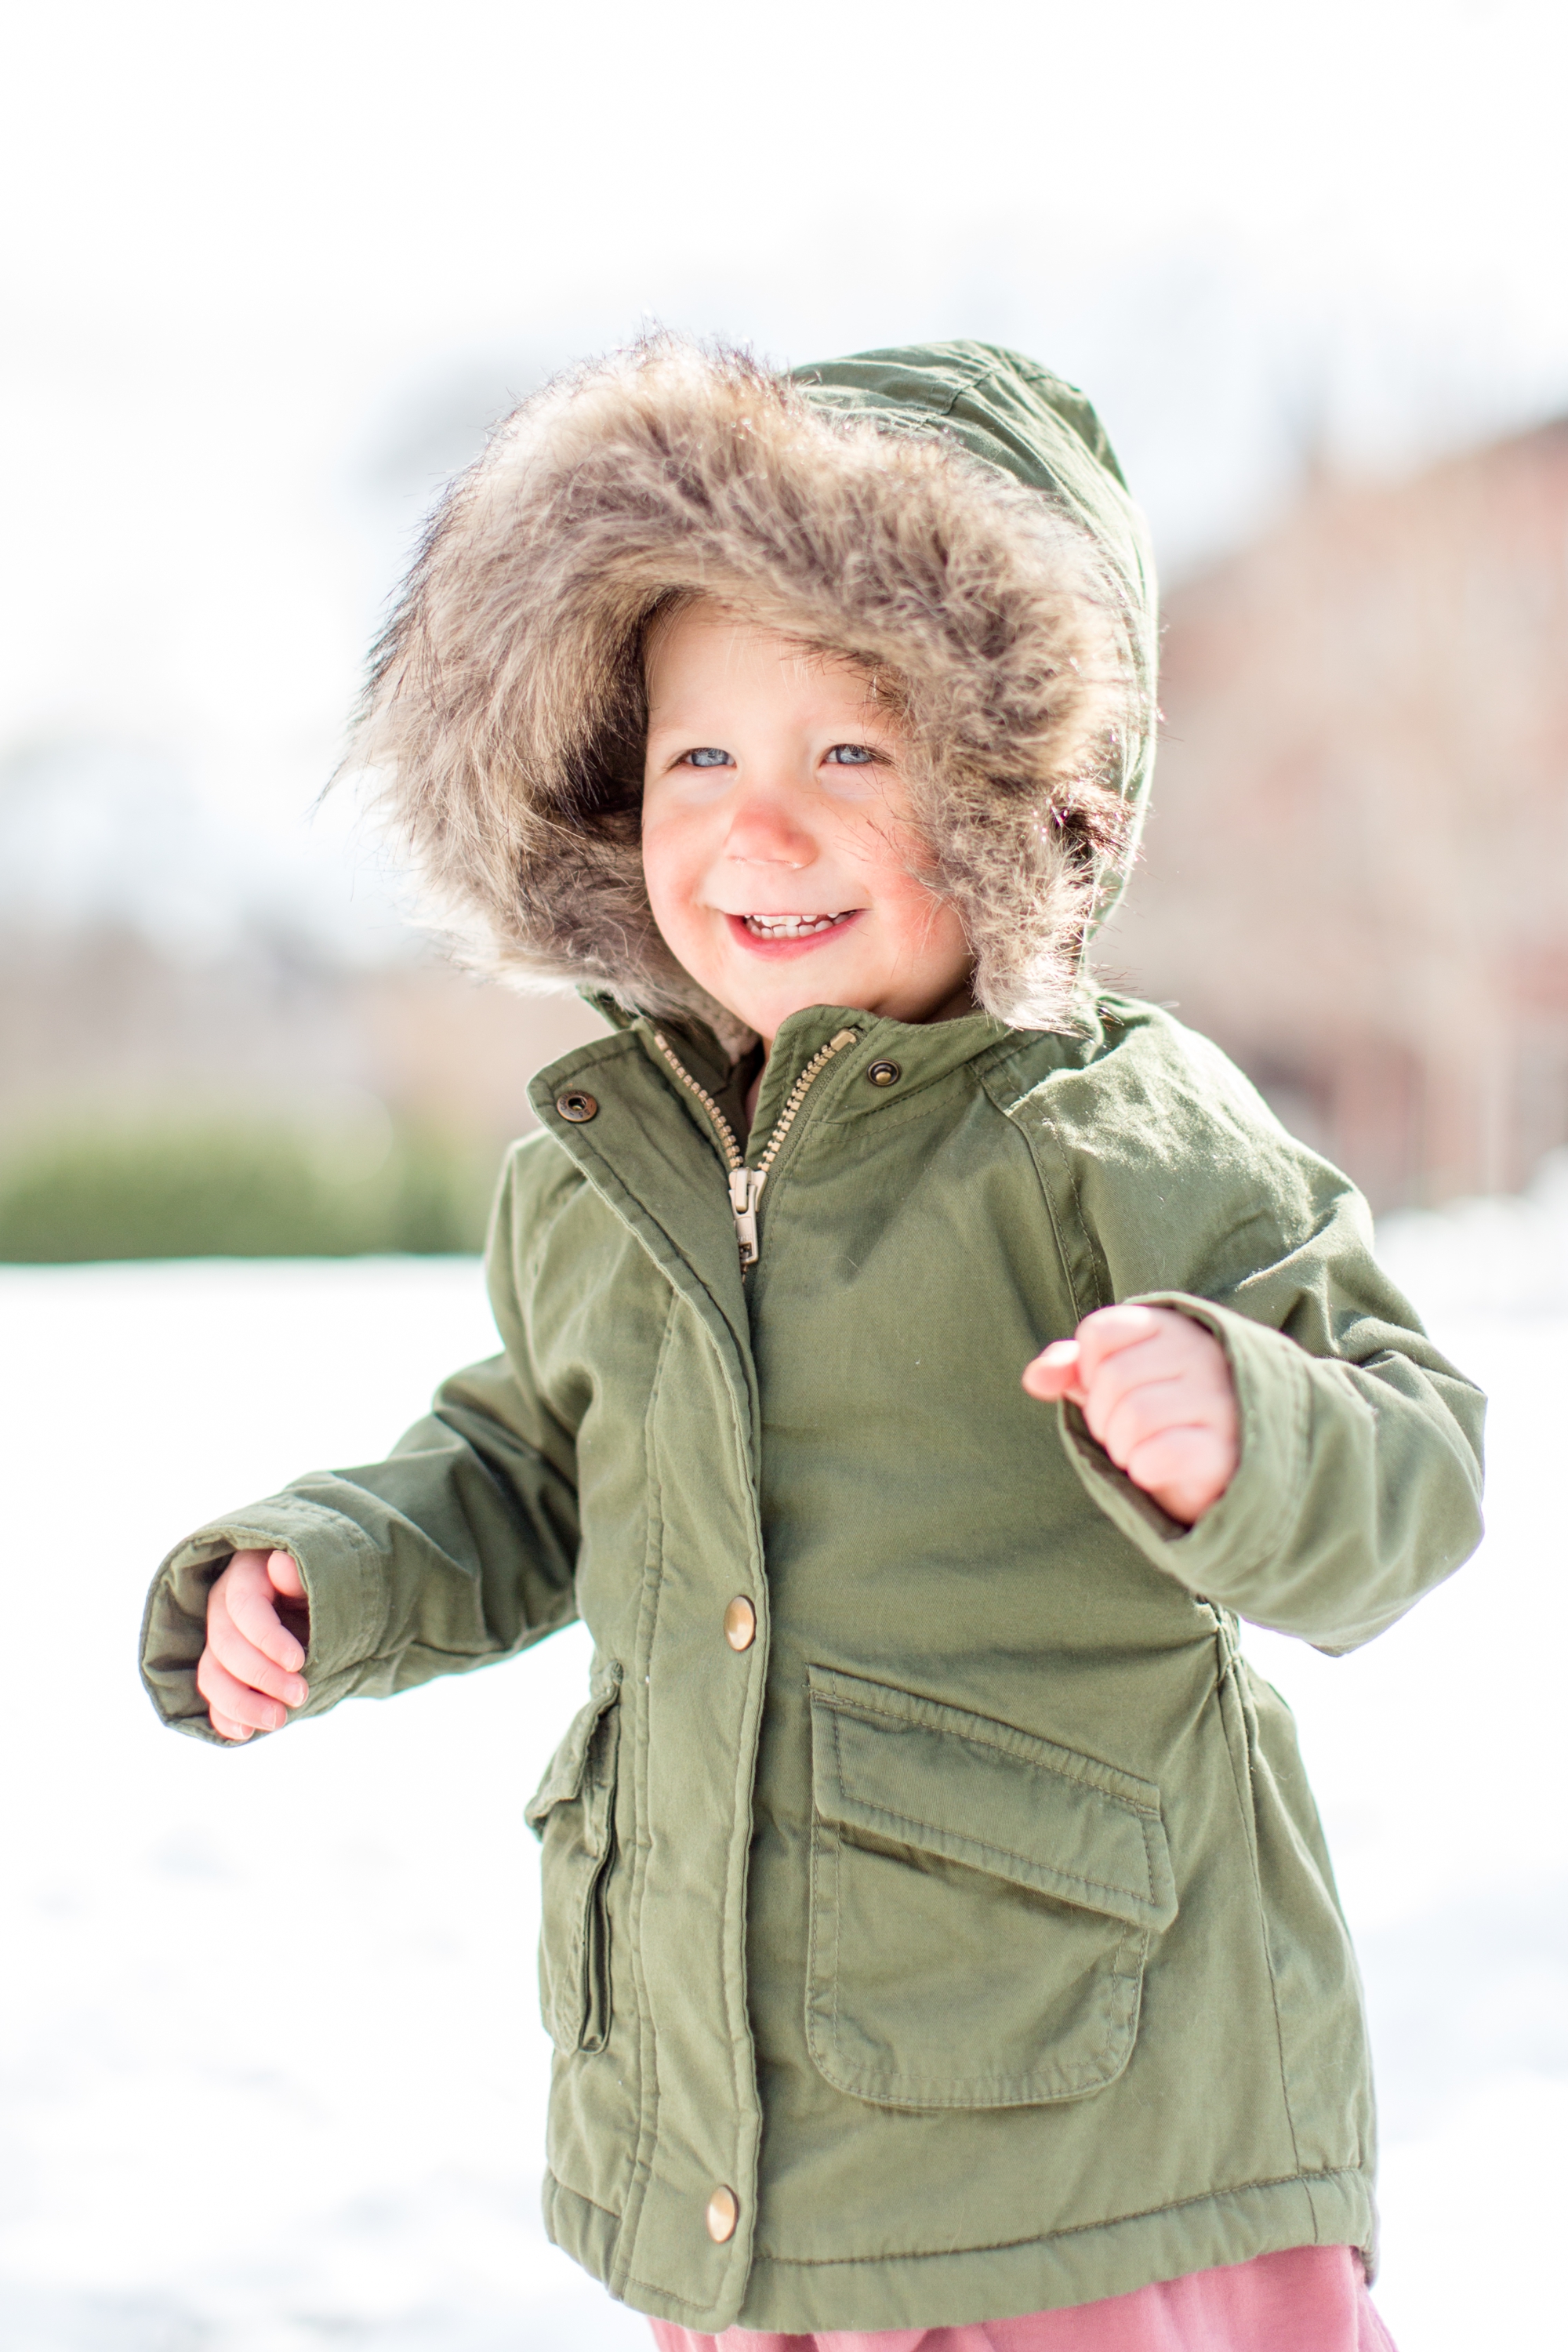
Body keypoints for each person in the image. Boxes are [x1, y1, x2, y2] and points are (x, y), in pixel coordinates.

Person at [140, 341, 1483, 2351]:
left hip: (1090, 2151)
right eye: (701, 761)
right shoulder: (611, 1164)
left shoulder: (1108, 1130)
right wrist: (332, 1571)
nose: (758, 831)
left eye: (849, 758)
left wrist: (1251, 1423)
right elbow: (529, 1469)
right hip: (741, 2150)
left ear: (1029, 790)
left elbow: (1415, 1459)